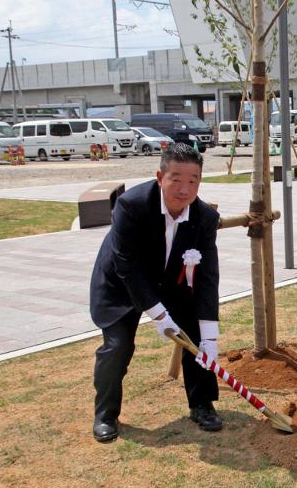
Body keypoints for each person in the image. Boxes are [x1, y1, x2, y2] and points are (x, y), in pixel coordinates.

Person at [90, 143, 222, 442]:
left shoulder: (204, 219)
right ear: (160, 176)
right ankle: (106, 414)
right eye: (176, 179)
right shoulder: (131, 205)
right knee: (117, 346)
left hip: (169, 283)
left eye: (193, 180)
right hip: (120, 285)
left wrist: (210, 336)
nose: (184, 189)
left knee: (198, 337)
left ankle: (202, 403)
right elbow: (126, 265)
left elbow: (207, 278)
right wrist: (158, 314)